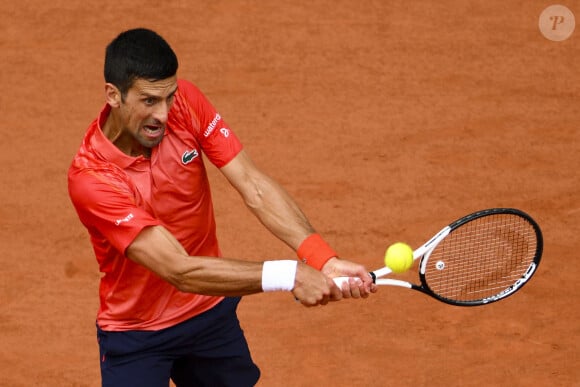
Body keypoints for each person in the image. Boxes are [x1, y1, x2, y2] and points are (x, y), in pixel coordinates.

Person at [68, 28, 376, 387]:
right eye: (149, 101)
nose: (164, 114)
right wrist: (287, 273)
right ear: (113, 95)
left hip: (208, 314)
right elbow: (179, 269)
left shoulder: (188, 103)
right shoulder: (91, 178)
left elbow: (252, 184)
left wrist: (322, 258)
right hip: (137, 334)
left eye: (169, 97)